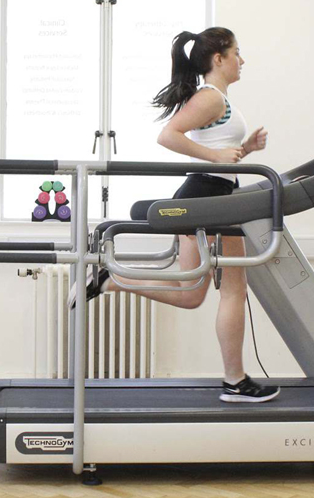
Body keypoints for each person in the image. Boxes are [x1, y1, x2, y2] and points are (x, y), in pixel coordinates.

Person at [72, 27, 279, 403]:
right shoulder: (210, 97)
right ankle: (236, 381)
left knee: (190, 294)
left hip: (207, 194)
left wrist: (243, 148)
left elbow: (218, 152)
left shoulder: (215, 99)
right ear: (219, 58)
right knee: (233, 290)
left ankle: (109, 281)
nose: (242, 60)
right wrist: (218, 157)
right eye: (237, 53)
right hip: (211, 198)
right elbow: (169, 136)